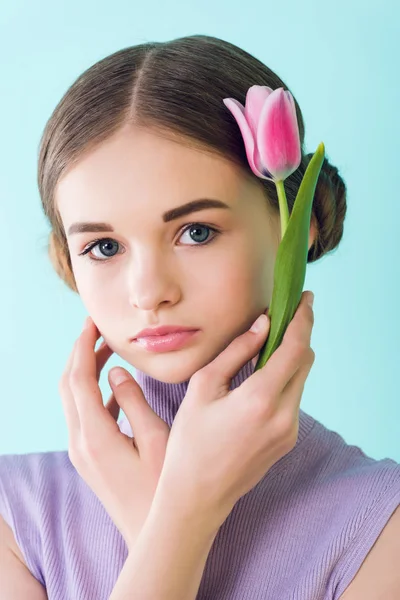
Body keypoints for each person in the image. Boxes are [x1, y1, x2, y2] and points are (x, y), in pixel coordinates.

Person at [1, 34, 399, 600]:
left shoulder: (382, 524)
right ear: (69, 261)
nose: (149, 293)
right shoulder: (13, 518)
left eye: (196, 232)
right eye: (104, 248)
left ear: (297, 224)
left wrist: (173, 521)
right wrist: (179, 520)